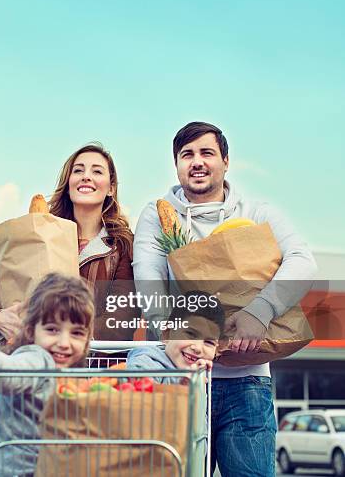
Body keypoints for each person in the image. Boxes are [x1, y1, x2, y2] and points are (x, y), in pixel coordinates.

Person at [132, 122, 317, 476]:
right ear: (177, 165)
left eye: (207, 153)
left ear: (226, 162)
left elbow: (302, 261)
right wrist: (171, 335)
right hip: (179, 381)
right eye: (187, 155)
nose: (197, 162)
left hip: (247, 384)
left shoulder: (256, 213)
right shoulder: (156, 216)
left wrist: (258, 312)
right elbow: (149, 283)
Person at [0, 143, 137, 343]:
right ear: (68, 184)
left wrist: (63, 336)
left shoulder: (122, 246)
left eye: (97, 171)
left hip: (92, 366)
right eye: (78, 170)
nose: (86, 176)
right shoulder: (38, 236)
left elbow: (121, 317)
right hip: (37, 362)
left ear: (111, 188)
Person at [0, 273, 94, 477]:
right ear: (30, 331)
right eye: (52, 329)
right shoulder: (38, 359)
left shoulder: (66, 373)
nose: (64, 342)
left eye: (76, 333)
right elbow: (15, 370)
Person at [127, 292, 225, 384]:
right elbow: (139, 396)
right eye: (190, 334)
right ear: (168, 333)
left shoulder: (198, 372)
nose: (198, 348)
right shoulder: (147, 364)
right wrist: (181, 387)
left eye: (209, 342)